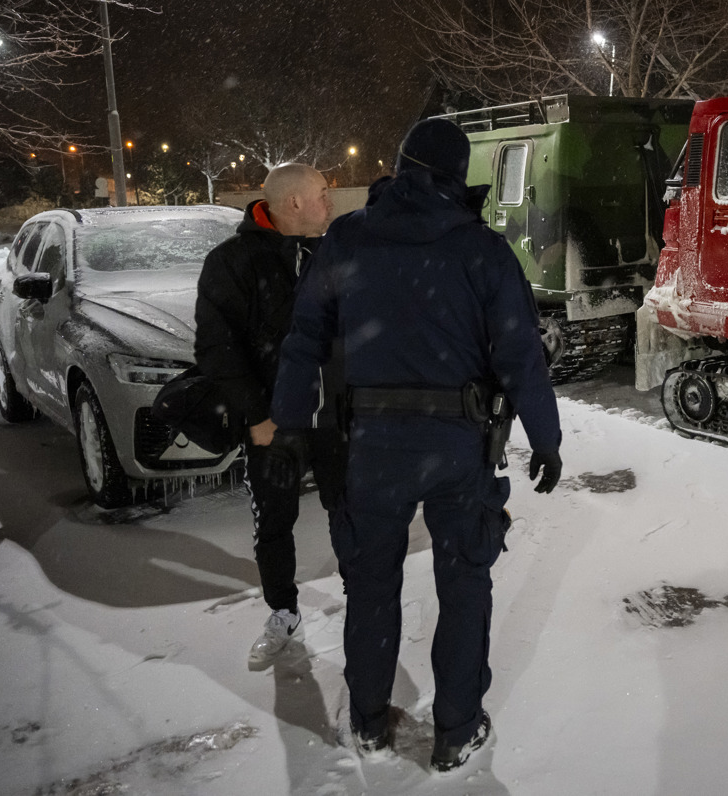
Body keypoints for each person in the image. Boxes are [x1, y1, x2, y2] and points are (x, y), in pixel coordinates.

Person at [270, 119, 563, 772]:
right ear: (458, 177)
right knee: (464, 587)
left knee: (371, 585)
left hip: (370, 447)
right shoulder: (482, 249)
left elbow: (304, 338)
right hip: (459, 445)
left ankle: (370, 724)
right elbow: (520, 355)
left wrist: (289, 426)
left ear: (400, 165)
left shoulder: (347, 237)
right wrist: (546, 440)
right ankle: (456, 730)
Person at [193, 163, 345, 669]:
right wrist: (257, 417)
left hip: (338, 420)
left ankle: (363, 596)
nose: (331, 202)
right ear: (294, 202)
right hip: (274, 428)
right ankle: (283, 611)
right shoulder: (233, 262)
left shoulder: (337, 254)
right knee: (274, 523)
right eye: (322, 193)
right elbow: (217, 350)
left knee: (351, 514)